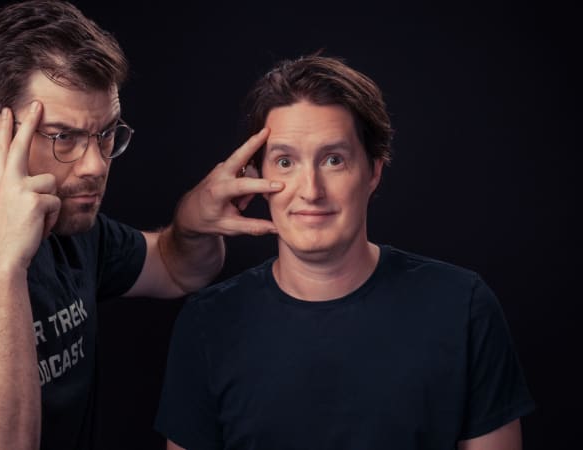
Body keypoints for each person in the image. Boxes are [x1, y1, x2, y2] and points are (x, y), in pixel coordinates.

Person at [0, 1, 285, 449]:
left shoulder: (70, 228)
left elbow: (176, 268)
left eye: (106, 133)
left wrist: (193, 221)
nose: (94, 165)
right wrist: (5, 267)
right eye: (64, 137)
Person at [154, 53, 535, 449]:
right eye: (285, 162)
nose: (311, 190)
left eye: (333, 160)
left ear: (374, 171)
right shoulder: (208, 324)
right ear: (255, 177)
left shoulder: (463, 308)